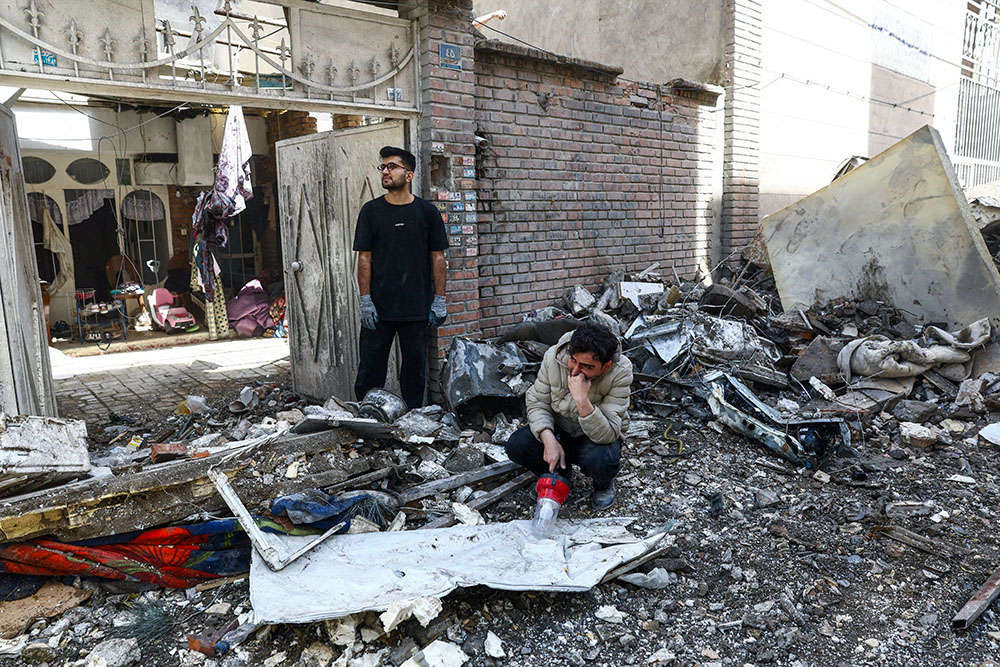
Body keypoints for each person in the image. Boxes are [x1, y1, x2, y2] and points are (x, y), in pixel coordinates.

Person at [353, 146, 448, 409]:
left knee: (414, 373)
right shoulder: (371, 212)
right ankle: (367, 417)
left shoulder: (427, 213)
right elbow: (364, 258)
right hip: (379, 309)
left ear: (409, 175)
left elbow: (438, 258)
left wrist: (439, 299)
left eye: (391, 166)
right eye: (382, 167)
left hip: (416, 308)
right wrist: (365, 300)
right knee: (370, 371)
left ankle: (412, 420)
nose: (385, 171)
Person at [505, 322, 633, 509]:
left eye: (587, 367)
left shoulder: (620, 372)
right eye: (573, 360)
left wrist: (582, 401)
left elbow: (609, 432)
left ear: (606, 367)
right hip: (560, 429)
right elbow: (537, 401)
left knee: (602, 460)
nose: (574, 371)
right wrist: (548, 439)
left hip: (594, 437)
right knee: (517, 445)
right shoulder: (554, 357)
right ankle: (559, 473)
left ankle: (603, 485)